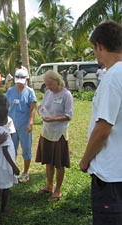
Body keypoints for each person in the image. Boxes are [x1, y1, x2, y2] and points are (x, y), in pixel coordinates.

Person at [79, 20, 122, 225]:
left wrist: (85, 160)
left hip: (110, 176)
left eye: (94, 49)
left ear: (100, 46)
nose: (95, 55)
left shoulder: (113, 76)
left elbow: (103, 128)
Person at [35, 70, 73, 202]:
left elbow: (69, 115)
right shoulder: (48, 93)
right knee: (48, 161)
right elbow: (43, 107)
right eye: (46, 84)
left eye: (50, 84)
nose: (48, 87)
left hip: (59, 134)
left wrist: (54, 119)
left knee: (59, 163)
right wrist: (40, 111)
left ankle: (58, 190)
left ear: (57, 81)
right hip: (46, 132)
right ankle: (49, 185)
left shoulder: (66, 94)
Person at [6, 68, 37, 183]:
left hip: (24, 125)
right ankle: (11, 171)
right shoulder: (10, 91)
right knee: (11, 148)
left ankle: (25, 172)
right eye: (17, 80)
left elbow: (32, 108)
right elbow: (6, 105)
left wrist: (31, 122)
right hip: (11, 125)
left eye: (21, 80)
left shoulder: (29, 92)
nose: (19, 83)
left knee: (26, 149)